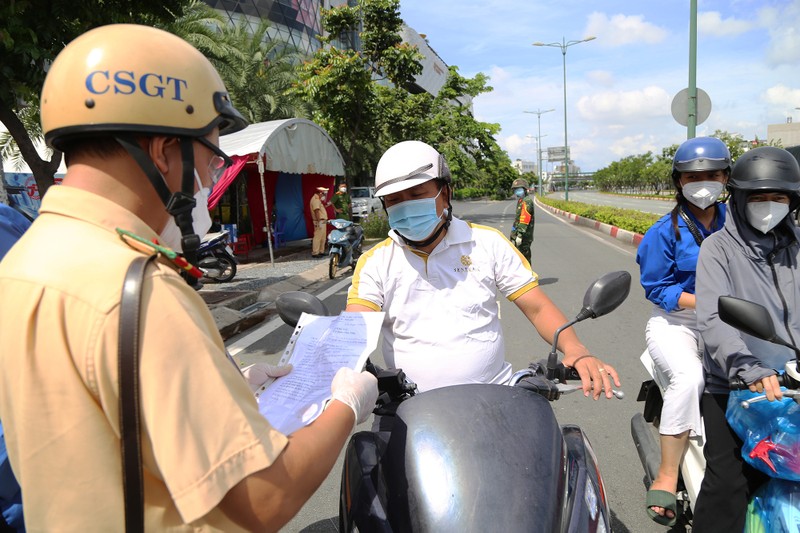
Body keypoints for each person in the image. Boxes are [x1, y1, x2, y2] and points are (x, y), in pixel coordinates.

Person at [0, 24, 377, 532]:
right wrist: (347, 406)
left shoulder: (25, 261)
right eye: (209, 158)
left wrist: (226, 390)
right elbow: (265, 499)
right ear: (162, 153)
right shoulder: (140, 289)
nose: (208, 181)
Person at [345, 140, 619, 397]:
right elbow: (356, 326)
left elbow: (537, 307)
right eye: (394, 200)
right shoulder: (375, 262)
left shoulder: (487, 244)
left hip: (494, 396)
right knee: (369, 448)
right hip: (407, 406)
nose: (406, 206)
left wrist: (576, 349)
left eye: (417, 194)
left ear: (446, 193)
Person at [692, 146, 800, 532]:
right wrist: (745, 365)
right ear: (738, 200)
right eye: (758, 198)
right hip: (738, 385)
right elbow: (712, 317)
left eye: (779, 197)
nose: (769, 206)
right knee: (729, 482)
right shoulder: (717, 249)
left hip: (794, 382)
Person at [635, 137, 731, 526]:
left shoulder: (739, 221)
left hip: (735, 319)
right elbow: (657, 288)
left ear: (727, 177)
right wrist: (707, 302)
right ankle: (668, 472)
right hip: (679, 322)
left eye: (712, 175)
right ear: (679, 182)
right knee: (690, 379)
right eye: (694, 176)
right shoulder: (663, 231)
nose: (703, 182)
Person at [509, 177, 535, 263]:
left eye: (519, 189)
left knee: (524, 259)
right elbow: (517, 219)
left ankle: (529, 275)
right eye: (515, 189)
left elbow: (524, 219)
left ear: (524, 189)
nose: (517, 191)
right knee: (519, 258)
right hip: (518, 233)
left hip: (524, 235)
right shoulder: (521, 200)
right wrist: (513, 233)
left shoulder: (527, 201)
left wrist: (519, 235)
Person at [310, 186, 329, 257]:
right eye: (323, 194)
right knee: (318, 237)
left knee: (323, 237)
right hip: (320, 221)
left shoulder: (318, 200)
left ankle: (321, 251)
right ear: (320, 193)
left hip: (323, 221)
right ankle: (315, 252)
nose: (324, 196)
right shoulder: (315, 200)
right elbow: (316, 211)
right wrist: (318, 221)